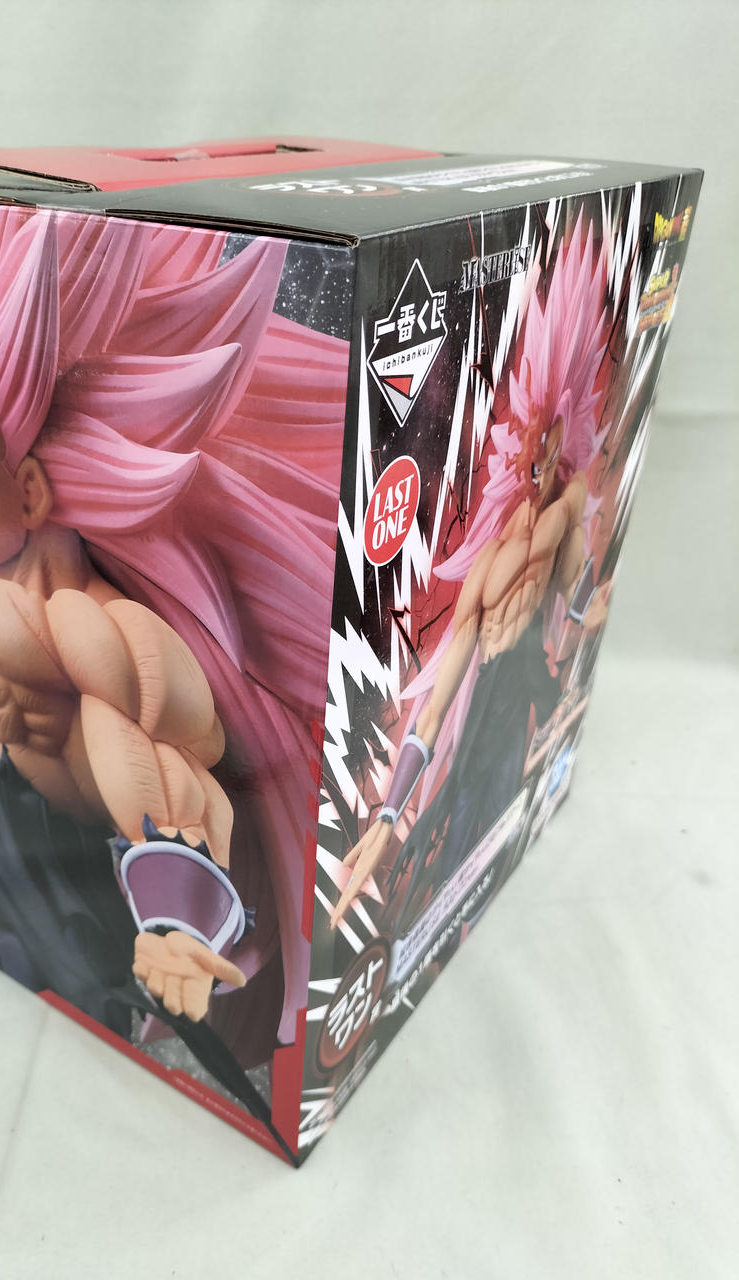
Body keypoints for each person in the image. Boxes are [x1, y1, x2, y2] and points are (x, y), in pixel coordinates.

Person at [0, 202, 349, 1067]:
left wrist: (178, 926)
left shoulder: (95, 631)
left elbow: (170, 785)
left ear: (31, 491)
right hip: (30, 923)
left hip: (152, 957)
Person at [331, 221, 614, 930]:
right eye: (527, 432)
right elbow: (434, 706)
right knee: (456, 834)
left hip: (528, 687)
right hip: (487, 696)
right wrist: (386, 817)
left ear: (561, 423)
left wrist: (586, 613)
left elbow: (577, 589)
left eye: (548, 429)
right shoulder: (489, 562)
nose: (533, 449)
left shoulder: (566, 512)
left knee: (493, 827)